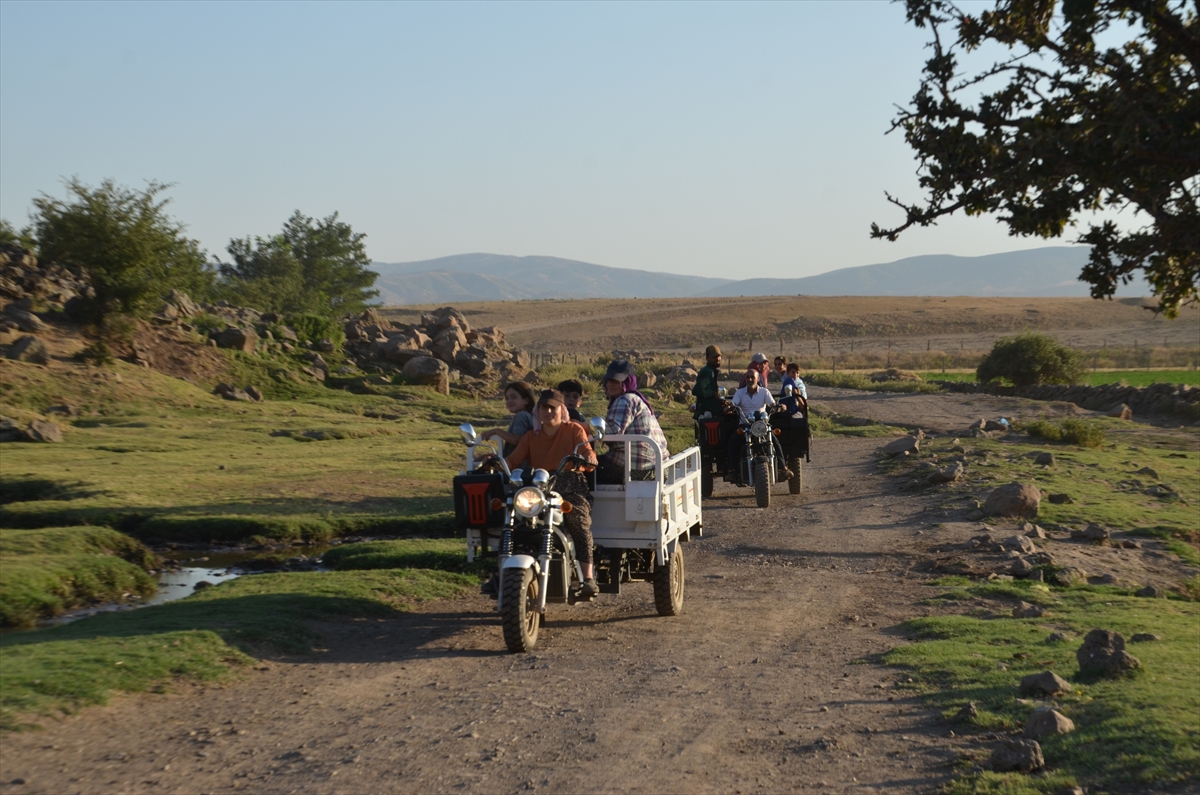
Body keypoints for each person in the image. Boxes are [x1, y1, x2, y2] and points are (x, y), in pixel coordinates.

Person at [503, 389, 600, 597]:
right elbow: (514, 460)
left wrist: (590, 458)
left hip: (571, 485)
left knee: (578, 520)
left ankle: (588, 579)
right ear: (537, 411)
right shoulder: (530, 437)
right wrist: (495, 463)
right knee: (511, 516)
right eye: (543, 408)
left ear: (561, 409)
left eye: (552, 408)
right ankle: (503, 573)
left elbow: (587, 452)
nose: (548, 412)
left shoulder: (573, 430)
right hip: (540, 489)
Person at [596, 359, 668, 484]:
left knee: (582, 470)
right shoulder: (636, 398)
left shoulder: (625, 400)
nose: (610, 384)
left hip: (638, 469)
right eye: (608, 380)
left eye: (615, 381)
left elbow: (613, 432)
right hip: (657, 466)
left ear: (627, 381)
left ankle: (584, 503)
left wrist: (587, 427)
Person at [728, 370, 791, 480]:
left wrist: (779, 407)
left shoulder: (764, 392)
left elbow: (772, 404)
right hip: (746, 425)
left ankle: (783, 468)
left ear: (758, 379)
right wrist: (730, 407)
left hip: (761, 425)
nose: (750, 379)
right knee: (733, 440)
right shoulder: (740, 393)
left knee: (774, 441)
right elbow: (734, 404)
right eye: (747, 377)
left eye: (752, 377)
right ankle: (732, 470)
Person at [482, 381, 535, 462]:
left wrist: (497, 431)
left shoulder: (521, 415)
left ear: (526, 400)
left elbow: (517, 439)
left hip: (518, 467)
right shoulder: (529, 416)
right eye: (507, 398)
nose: (509, 401)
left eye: (514, 397)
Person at [691, 345, 725, 419]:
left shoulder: (712, 371)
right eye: (714, 357)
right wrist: (714, 394)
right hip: (706, 412)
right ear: (707, 358)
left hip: (711, 410)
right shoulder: (708, 372)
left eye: (718, 356)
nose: (717, 359)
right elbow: (697, 390)